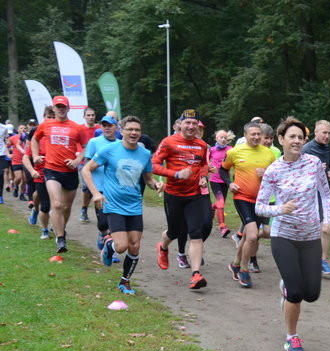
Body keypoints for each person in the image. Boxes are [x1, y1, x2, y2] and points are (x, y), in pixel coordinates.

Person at [255, 116, 330, 351]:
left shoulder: (314, 163)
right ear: (281, 140)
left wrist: (327, 220)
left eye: (301, 137)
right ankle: (292, 337)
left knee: (312, 294)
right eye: (292, 137)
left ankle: (287, 287)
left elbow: (326, 195)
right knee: (296, 292)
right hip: (284, 235)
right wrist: (280, 209)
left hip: (310, 236)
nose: (297, 141)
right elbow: (259, 207)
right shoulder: (273, 170)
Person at [82, 116, 162, 295]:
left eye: (137, 130)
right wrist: (95, 193)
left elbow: (148, 179)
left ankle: (125, 281)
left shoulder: (144, 154)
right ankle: (109, 246)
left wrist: (156, 184)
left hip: (134, 205)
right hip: (114, 204)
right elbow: (86, 169)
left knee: (135, 245)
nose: (134, 133)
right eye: (130, 129)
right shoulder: (109, 150)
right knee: (121, 247)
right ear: (122, 130)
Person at [151, 109, 212, 290]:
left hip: (194, 196)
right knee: (174, 232)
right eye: (187, 123)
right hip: (174, 195)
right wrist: (176, 174)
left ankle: (195, 274)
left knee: (196, 233)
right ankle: (163, 247)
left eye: (194, 123)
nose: (191, 126)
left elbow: (203, 164)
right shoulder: (168, 142)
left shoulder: (201, 145)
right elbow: (153, 165)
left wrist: (203, 175)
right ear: (180, 124)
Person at [31, 95, 90, 253]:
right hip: (51, 169)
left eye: (63, 107)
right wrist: (36, 156)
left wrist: (77, 160)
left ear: (68, 108)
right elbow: (34, 140)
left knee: (66, 207)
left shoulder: (77, 128)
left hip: (70, 172)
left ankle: (60, 228)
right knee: (56, 204)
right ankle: (60, 238)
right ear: (54, 108)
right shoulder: (46, 125)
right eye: (58, 107)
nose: (61, 109)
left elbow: (85, 147)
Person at [220, 122, 276, 288]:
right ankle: (244, 271)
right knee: (252, 235)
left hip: (261, 200)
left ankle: (236, 263)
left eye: (259, 134)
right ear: (245, 135)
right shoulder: (235, 152)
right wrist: (230, 184)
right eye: (253, 134)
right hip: (242, 198)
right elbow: (222, 170)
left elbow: (277, 175)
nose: (257, 137)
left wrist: (266, 174)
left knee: (247, 236)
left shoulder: (269, 154)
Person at [302, 119, 330, 275]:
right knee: (311, 227)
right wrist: (314, 169)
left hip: (326, 194)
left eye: (329, 133)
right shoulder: (306, 149)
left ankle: (322, 260)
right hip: (308, 194)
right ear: (316, 132)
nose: (327, 136)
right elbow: (297, 170)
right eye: (324, 132)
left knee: (327, 227)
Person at [82, 115, 119, 250]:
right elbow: (87, 164)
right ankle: (103, 233)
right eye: (104, 125)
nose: (107, 128)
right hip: (98, 187)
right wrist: (88, 184)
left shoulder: (120, 143)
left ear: (116, 127)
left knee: (115, 221)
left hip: (115, 188)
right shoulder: (94, 142)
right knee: (103, 222)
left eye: (110, 125)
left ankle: (111, 249)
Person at [22, 106, 55, 238]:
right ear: (43, 117)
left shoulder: (59, 134)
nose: (51, 120)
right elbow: (26, 156)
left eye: (54, 118)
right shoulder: (37, 133)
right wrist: (32, 168)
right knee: (41, 199)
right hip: (39, 171)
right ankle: (37, 213)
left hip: (56, 172)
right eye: (49, 117)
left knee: (58, 203)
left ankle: (56, 227)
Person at [207, 129, 233, 237]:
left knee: (220, 204)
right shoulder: (212, 150)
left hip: (225, 181)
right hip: (214, 180)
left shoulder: (231, 150)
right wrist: (208, 166)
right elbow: (205, 162)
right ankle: (223, 227)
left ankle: (212, 208)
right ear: (216, 138)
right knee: (221, 203)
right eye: (221, 137)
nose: (223, 139)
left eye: (225, 138)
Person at [79, 107, 101, 223]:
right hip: (84, 162)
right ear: (84, 117)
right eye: (88, 115)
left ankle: (102, 215)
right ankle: (84, 208)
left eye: (92, 115)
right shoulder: (80, 129)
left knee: (100, 188)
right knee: (86, 188)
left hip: (99, 163)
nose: (91, 117)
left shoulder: (100, 128)